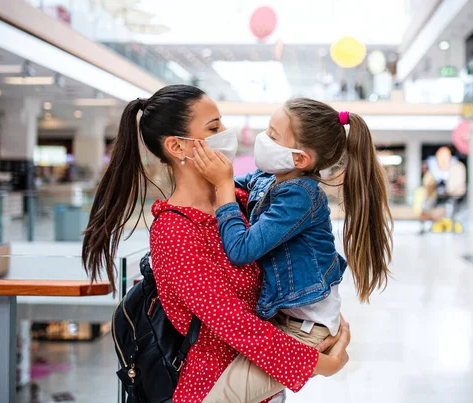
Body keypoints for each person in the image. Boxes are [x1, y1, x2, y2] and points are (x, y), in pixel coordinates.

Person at [81, 85, 351, 403]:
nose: (226, 133)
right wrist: (324, 364)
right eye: (214, 128)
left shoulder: (240, 201)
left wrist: (324, 318)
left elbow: (297, 261)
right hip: (210, 386)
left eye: (221, 123)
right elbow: (232, 322)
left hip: (262, 381)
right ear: (177, 146)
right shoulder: (175, 233)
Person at [192, 99, 393, 402]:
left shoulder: (301, 195)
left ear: (300, 159)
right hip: (284, 320)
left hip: (306, 332)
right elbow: (233, 188)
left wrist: (221, 188)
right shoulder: (268, 178)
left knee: (221, 396)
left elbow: (241, 248)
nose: (263, 139)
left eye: (273, 136)